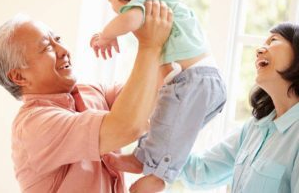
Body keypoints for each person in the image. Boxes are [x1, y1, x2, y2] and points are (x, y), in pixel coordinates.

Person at [0, 0, 173, 193]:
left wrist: (167, 30)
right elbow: (127, 127)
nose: (63, 50)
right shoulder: (34, 125)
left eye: (58, 39)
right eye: (47, 48)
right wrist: (150, 45)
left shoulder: (92, 91)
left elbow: (154, 98)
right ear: (19, 76)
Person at [107, 22, 299, 193]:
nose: (259, 50)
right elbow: (201, 170)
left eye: (273, 40)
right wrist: (160, 131)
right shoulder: (255, 128)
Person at [90, 0, 227, 191]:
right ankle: (142, 158)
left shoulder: (145, 4)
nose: (112, 8)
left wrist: (105, 35)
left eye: (110, 0)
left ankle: (158, 178)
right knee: (164, 124)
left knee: (169, 130)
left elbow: (129, 19)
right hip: (202, 82)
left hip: (192, 81)